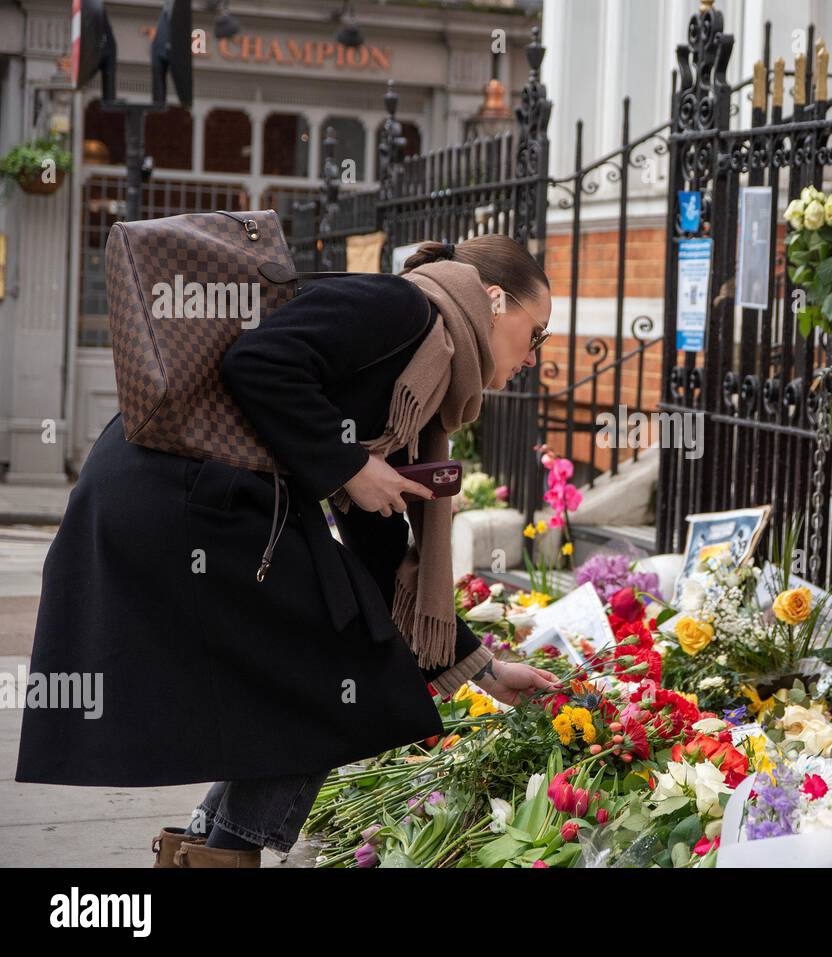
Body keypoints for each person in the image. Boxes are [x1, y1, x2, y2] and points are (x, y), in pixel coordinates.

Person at [14, 234, 562, 867]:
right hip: (181, 490)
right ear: (494, 300)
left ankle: (201, 851)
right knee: (332, 675)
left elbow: (381, 552)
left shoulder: (426, 376)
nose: (534, 356)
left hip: (196, 496)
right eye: (538, 331)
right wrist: (351, 465)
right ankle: (225, 856)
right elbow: (258, 361)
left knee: (321, 667)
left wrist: (485, 671)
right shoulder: (400, 309)